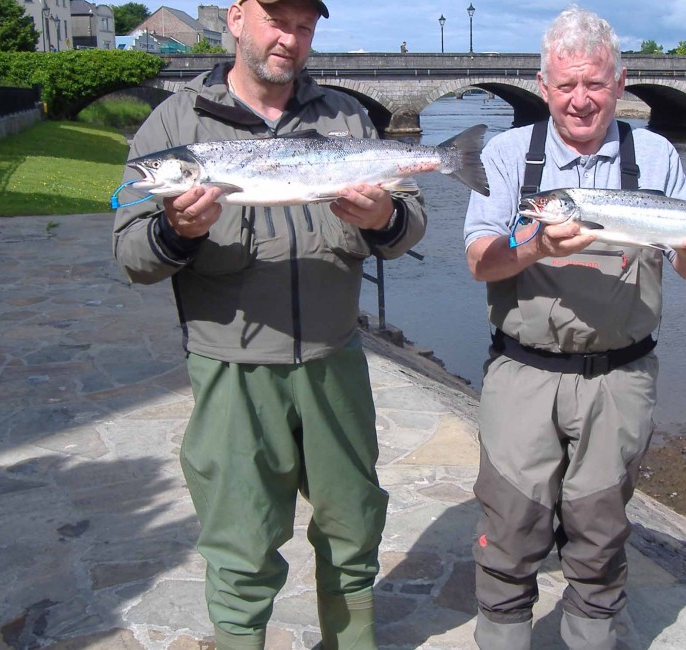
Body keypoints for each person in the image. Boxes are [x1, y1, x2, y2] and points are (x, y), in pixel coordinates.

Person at [112, 0, 427, 648]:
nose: (291, 36)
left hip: (333, 361)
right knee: (241, 545)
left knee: (353, 529)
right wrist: (175, 231)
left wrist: (381, 220)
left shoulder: (344, 117)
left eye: (306, 24)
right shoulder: (174, 126)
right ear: (235, 17)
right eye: (276, 18)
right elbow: (131, 253)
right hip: (230, 372)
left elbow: (410, 223)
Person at [462, 6, 686, 649]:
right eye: (566, 87)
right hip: (522, 374)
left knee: (601, 534)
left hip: (622, 377)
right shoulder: (508, 155)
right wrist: (535, 247)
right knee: (509, 529)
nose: (580, 101)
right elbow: (480, 261)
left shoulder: (657, 154)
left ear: (620, 83)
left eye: (595, 84)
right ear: (543, 85)